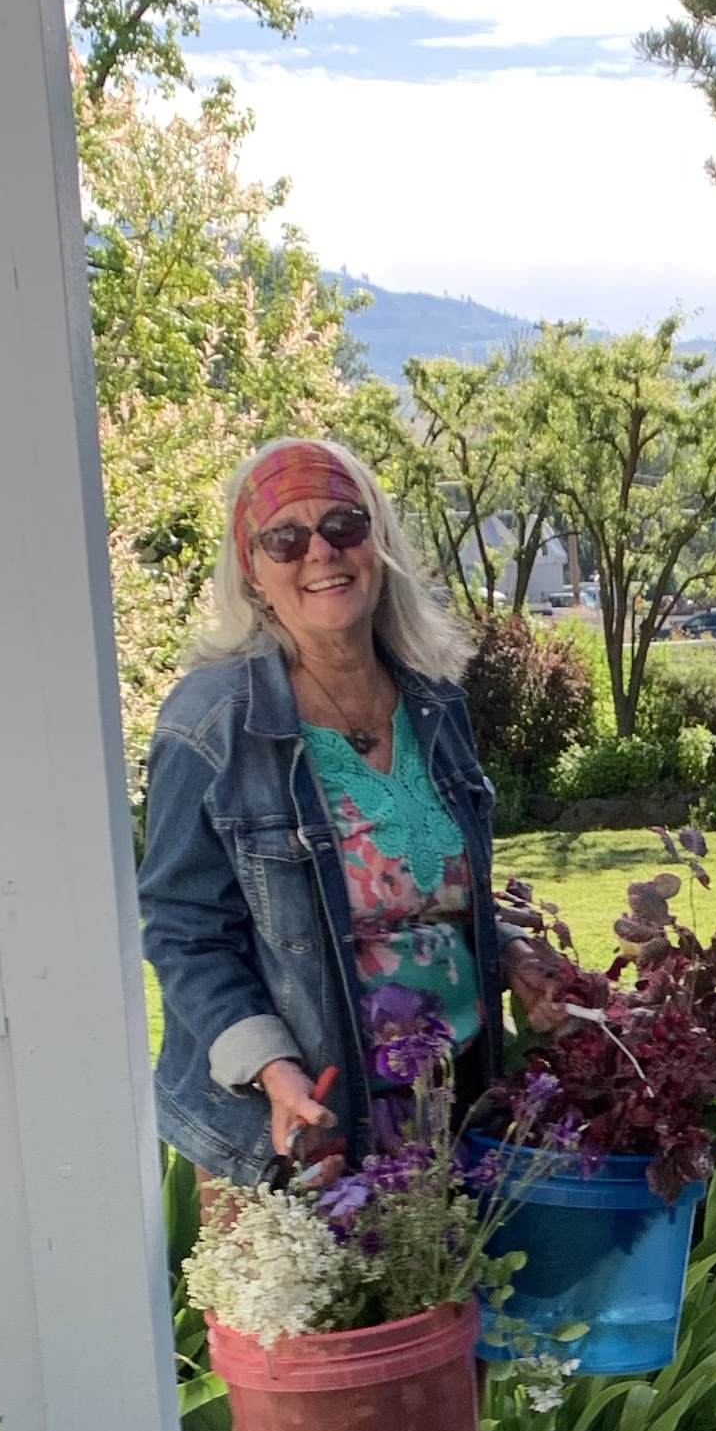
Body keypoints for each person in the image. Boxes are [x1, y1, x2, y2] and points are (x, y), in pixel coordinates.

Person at [142, 436, 528, 1187]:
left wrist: (515, 955)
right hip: (303, 1124)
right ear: (252, 571)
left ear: (377, 544)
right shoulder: (213, 722)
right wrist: (273, 1069)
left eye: (343, 525)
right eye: (285, 537)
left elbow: (438, 897)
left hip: (453, 1114)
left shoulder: (433, 699)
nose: (320, 551)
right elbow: (184, 930)